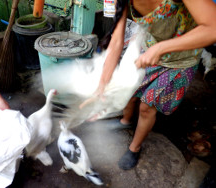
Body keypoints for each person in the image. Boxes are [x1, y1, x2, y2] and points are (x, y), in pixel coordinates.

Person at [85, 0, 216, 170]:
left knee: (147, 107)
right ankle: (126, 121)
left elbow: (213, 27)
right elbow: (116, 42)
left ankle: (135, 147)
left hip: (180, 60)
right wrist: (102, 84)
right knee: (129, 91)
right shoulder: (122, 1)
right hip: (149, 50)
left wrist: (161, 48)